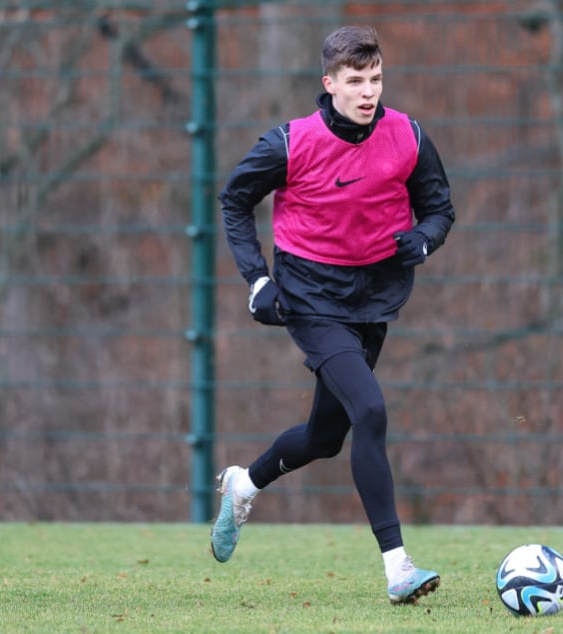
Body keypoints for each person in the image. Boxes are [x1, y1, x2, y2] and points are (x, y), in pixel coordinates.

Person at [211, 25, 455, 605]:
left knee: (326, 437)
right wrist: (258, 278)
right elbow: (234, 200)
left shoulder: (409, 136)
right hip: (311, 295)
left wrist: (422, 240)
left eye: (375, 79)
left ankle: (244, 484)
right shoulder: (289, 144)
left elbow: (439, 209)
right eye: (355, 81)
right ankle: (398, 567)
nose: (368, 92)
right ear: (329, 84)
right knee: (370, 409)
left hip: (373, 297)